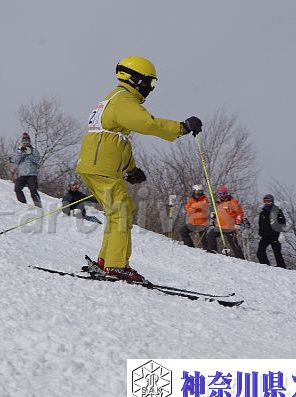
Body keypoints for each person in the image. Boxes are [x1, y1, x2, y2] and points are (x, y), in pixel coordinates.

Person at [75, 56, 202, 282]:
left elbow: (116, 141)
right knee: (122, 211)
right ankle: (116, 266)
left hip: (95, 164)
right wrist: (181, 128)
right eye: (150, 83)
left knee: (118, 212)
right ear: (137, 80)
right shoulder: (123, 100)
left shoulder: (113, 98)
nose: (151, 89)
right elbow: (147, 123)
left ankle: (106, 261)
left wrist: (131, 169)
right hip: (101, 166)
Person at [206, 185, 245, 259]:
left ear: (226, 193)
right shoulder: (219, 203)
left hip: (230, 227)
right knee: (210, 234)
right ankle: (212, 250)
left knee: (233, 242)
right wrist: (214, 215)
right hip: (220, 226)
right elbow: (221, 213)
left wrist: (238, 223)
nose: (222, 196)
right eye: (220, 194)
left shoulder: (232, 202)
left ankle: (240, 257)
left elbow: (240, 213)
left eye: (223, 194)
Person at [10, 132, 42, 208]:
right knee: (17, 189)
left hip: (32, 174)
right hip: (22, 174)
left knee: (33, 190)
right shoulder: (19, 151)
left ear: (29, 142)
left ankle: (38, 206)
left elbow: (37, 159)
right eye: (24, 142)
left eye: (27, 142)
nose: (26, 144)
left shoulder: (34, 151)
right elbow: (15, 161)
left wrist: (29, 154)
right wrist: (20, 152)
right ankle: (23, 205)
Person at [256, 194, 287, 268]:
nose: (267, 203)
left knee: (277, 253)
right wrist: (260, 232)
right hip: (265, 236)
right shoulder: (262, 213)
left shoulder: (277, 211)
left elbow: (282, 222)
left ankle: (281, 267)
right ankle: (265, 266)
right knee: (260, 252)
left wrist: (282, 233)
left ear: (272, 201)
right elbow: (260, 224)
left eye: (269, 201)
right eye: (265, 201)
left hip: (275, 235)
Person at [179, 184, 209, 250]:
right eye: (196, 191)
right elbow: (187, 209)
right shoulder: (191, 199)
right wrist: (194, 209)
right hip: (192, 222)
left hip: (201, 222)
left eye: (200, 192)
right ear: (194, 192)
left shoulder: (204, 200)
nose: (198, 194)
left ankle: (208, 250)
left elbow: (202, 207)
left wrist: (193, 208)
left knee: (203, 237)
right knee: (183, 231)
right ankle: (190, 246)